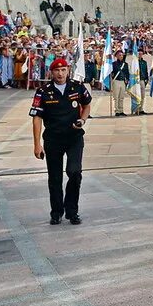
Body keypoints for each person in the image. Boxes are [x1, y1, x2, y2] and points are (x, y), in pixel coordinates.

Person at [29, 58, 91, 225]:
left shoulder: (77, 87)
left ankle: (72, 211)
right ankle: (56, 212)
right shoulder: (43, 91)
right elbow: (37, 118)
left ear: (68, 70)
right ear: (52, 72)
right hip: (53, 139)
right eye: (57, 70)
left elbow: (87, 105)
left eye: (63, 70)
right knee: (55, 178)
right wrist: (37, 144)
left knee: (74, 172)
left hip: (74, 138)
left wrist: (83, 120)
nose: (60, 73)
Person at [110, 50, 131, 116]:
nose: (121, 56)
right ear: (116, 56)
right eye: (119, 55)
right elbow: (111, 73)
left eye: (122, 55)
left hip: (122, 81)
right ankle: (117, 111)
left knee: (121, 97)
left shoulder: (125, 64)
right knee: (116, 97)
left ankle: (121, 110)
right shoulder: (113, 64)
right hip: (116, 81)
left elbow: (127, 73)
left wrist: (127, 80)